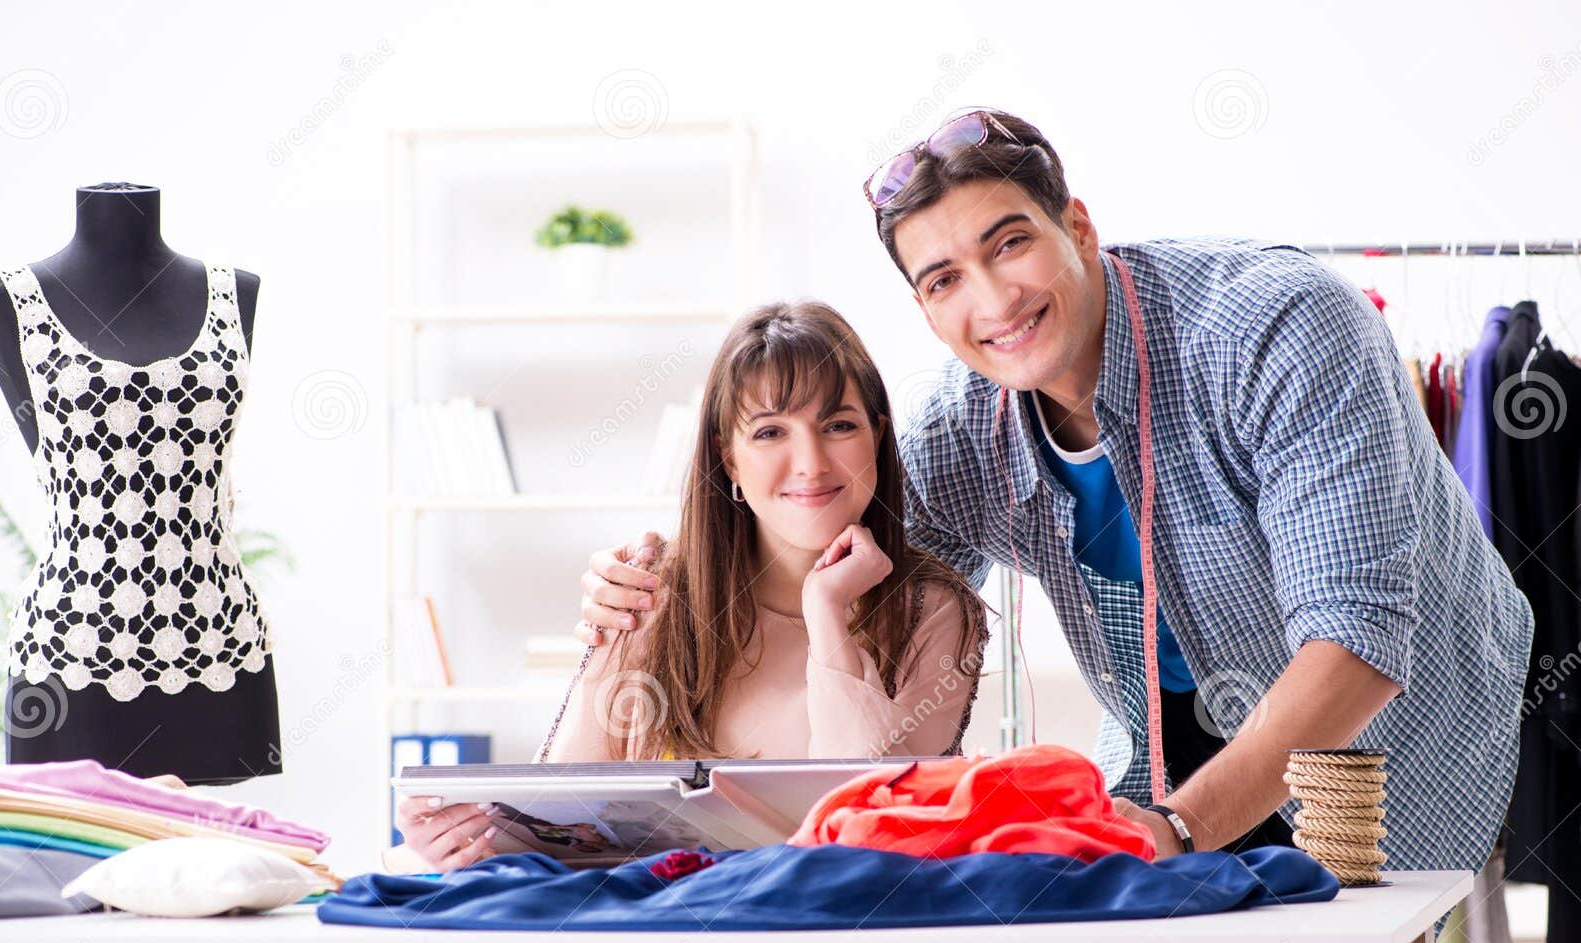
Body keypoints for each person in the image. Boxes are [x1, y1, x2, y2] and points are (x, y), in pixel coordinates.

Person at [578, 109, 1533, 873]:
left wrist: (1181, 830)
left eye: (1010, 245)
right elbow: (820, 547)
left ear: (1077, 224)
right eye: (946, 277)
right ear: (924, 306)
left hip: (1383, 748)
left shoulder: (1277, 331)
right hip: (1167, 759)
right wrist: (650, 581)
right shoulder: (962, 433)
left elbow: (1357, 643)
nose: (993, 303)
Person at [398, 300, 988, 872]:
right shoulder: (650, 591)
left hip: (834, 937)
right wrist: (469, 840)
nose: (810, 462)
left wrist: (826, 609)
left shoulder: (934, 613)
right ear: (726, 459)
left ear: (878, 439)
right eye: (769, 433)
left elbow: (864, 830)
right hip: (658, 934)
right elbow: (565, 810)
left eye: (837, 425)